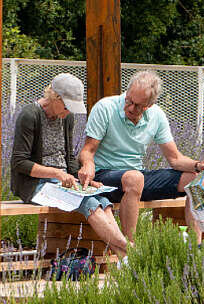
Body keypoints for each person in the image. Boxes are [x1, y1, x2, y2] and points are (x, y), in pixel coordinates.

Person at [78, 70, 204, 242]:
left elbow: (175, 159)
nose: (130, 108)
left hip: (137, 178)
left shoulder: (156, 115)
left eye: (138, 106)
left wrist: (198, 166)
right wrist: (87, 165)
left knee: (196, 180)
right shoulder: (105, 107)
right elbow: (88, 150)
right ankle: (129, 251)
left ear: (150, 104)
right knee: (135, 178)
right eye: (129, 100)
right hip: (104, 176)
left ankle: (196, 247)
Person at [11, 73, 130, 257]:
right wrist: (57, 174)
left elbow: (68, 158)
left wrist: (84, 177)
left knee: (104, 202)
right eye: (67, 106)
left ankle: (125, 258)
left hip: (64, 182)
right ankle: (131, 251)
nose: (68, 112)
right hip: (35, 185)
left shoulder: (67, 118)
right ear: (54, 98)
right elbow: (20, 162)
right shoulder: (30, 115)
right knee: (89, 203)